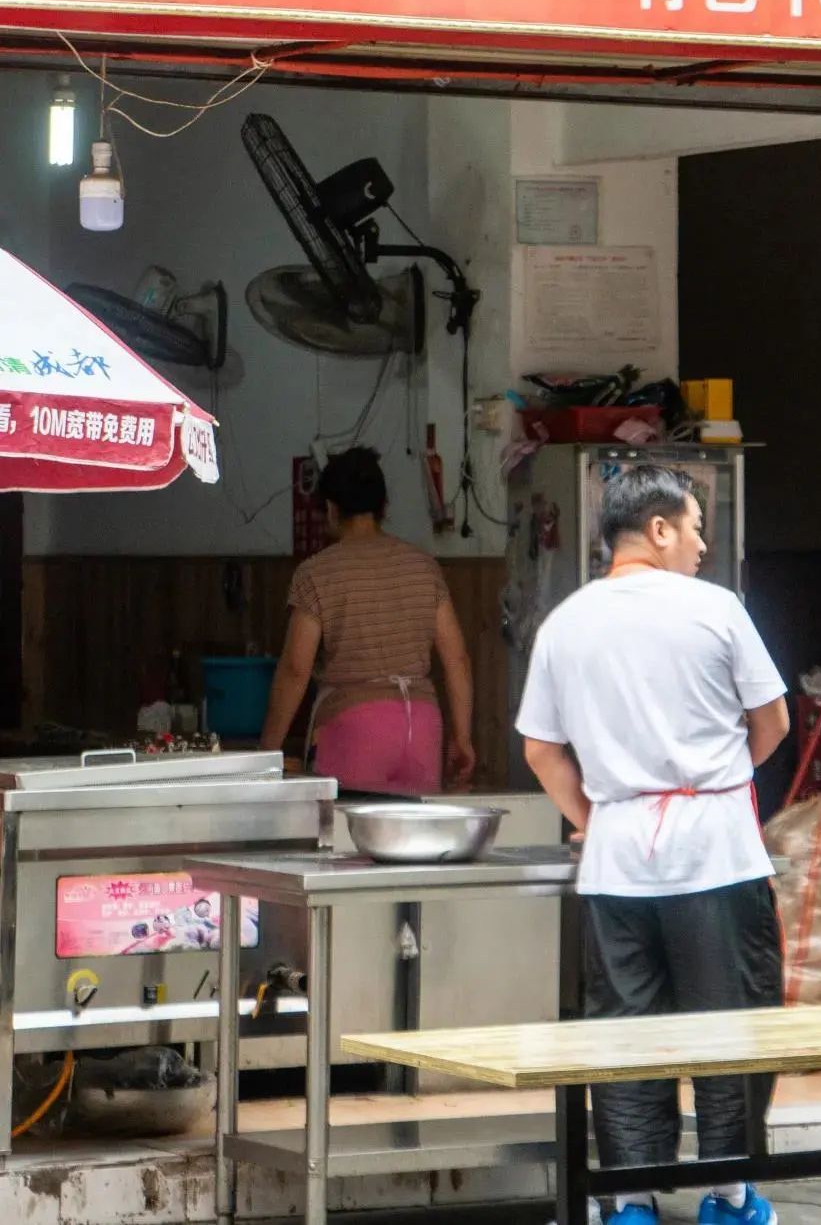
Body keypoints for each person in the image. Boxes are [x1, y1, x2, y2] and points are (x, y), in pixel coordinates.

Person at [516, 464, 789, 1225]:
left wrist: (597, 815)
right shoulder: (716, 609)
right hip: (717, 855)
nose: (702, 546)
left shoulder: (565, 622)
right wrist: (717, 783)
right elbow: (772, 723)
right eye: (696, 528)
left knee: (627, 1036)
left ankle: (630, 1204)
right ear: (660, 529)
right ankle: (729, 1198)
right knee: (729, 1025)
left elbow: (541, 750)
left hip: (617, 864)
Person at [260, 447, 475, 793]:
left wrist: (268, 750)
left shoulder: (317, 573)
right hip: (421, 726)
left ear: (331, 509)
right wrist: (461, 737)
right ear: (384, 507)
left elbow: (296, 669)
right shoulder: (424, 567)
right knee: (416, 829)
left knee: (347, 828)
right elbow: (457, 659)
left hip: (355, 727)